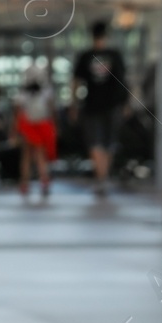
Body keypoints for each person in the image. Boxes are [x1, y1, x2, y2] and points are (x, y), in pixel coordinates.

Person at [71, 20, 130, 197]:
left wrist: (73, 105)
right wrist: (126, 104)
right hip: (110, 105)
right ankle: (103, 177)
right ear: (106, 36)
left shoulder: (86, 56)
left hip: (94, 105)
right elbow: (124, 82)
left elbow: (75, 83)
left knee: (96, 143)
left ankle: (101, 177)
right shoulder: (115, 55)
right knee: (107, 142)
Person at [15, 63, 57, 199]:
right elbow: (51, 112)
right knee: (39, 155)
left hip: (29, 126)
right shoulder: (46, 92)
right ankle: (44, 180)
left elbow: (18, 112)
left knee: (26, 156)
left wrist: (15, 131)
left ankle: (25, 183)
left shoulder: (22, 93)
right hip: (39, 125)